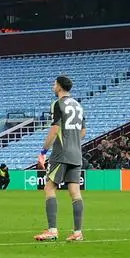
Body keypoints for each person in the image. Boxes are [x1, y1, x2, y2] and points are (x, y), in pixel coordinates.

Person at [35, 75, 85, 243]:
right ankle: (78, 232)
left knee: (49, 188)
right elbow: (83, 132)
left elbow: (55, 129)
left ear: (60, 87)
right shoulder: (78, 105)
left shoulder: (58, 104)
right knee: (75, 192)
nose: (53, 85)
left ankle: (52, 230)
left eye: (55, 83)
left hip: (61, 152)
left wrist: (43, 151)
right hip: (76, 153)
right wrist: (73, 140)